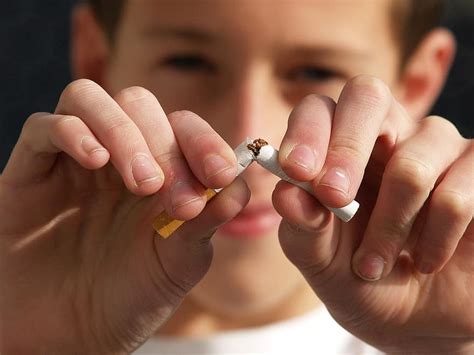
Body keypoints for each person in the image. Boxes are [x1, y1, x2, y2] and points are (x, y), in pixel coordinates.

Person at [1, 0, 473, 353]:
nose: (247, 130)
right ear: (97, 60)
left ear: (416, 83)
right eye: (188, 61)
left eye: (316, 70)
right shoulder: (21, 314)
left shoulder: (438, 330)